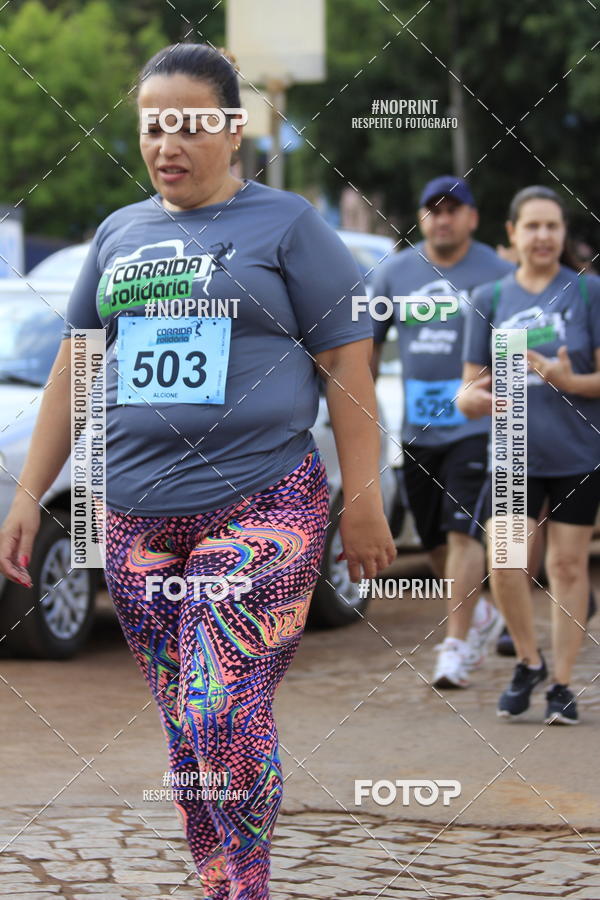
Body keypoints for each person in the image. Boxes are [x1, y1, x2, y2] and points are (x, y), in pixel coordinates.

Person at [0, 43, 396, 899]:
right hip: (134, 516)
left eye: (188, 124)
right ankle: (219, 882)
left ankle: (243, 888)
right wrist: (32, 493)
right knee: (188, 729)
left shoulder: (288, 224)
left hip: (261, 503)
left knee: (224, 708)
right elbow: (79, 368)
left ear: (232, 128)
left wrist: (361, 500)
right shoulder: (118, 233)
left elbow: (349, 369)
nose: (166, 144)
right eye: (152, 126)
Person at [459, 184, 600, 725]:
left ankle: (562, 682)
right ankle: (528, 660)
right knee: (507, 562)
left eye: (553, 226)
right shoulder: (490, 300)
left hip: (578, 454)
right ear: (512, 234)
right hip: (513, 451)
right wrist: (474, 401)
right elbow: (469, 389)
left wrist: (570, 380)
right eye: (532, 226)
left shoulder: (588, 295)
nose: (543, 236)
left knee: (567, 565)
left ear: (562, 235)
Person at [370, 175, 512, 688]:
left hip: (478, 427)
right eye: (434, 209)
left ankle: (454, 647)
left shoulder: (499, 273)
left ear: (472, 217)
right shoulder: (396, 273)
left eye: (454, 209)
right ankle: (482, 612)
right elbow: (367, 347)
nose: (443, 218)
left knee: (461, 530)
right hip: (419, 429)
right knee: (431, 537)